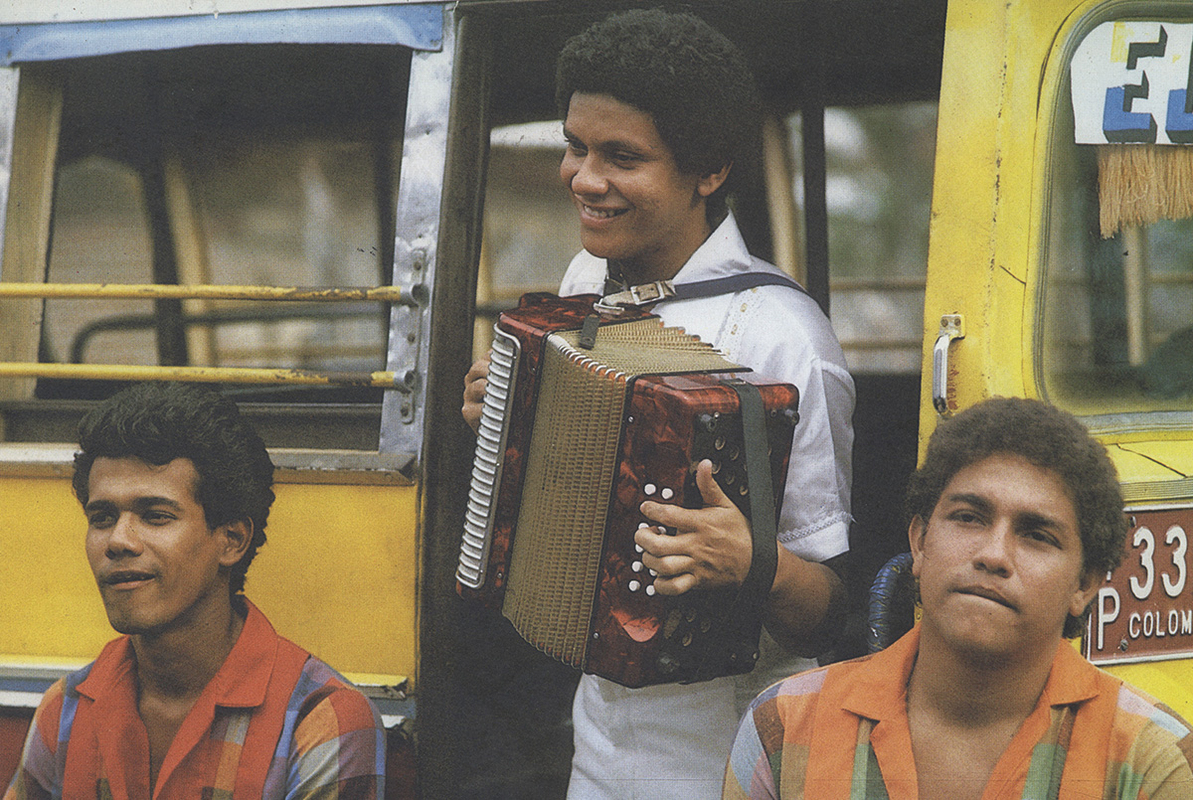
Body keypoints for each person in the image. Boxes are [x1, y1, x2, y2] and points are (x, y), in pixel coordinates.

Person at [462, 9, 854, 798]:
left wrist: (755, 564)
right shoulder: (585, 278)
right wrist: (511, 418)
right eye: (575, 146)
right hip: (597, 733)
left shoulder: (785, 336)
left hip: (730, 747)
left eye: (622, 157)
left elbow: (830, 616)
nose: (584, 178)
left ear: (708, 171)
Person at [724, 397, 1193, 800]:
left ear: (1085, 585)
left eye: (1037, 535)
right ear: (920, 542)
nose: (994, 555)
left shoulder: (1153, 758)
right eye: (968, 517)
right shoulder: (786, 727)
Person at [4, 382, 385, 800]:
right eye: (102, 517)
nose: (118, 540)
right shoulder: (66, 709)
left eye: (156, 516)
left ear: (232, 540)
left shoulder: (321, 719)